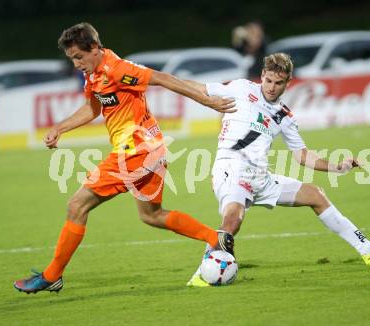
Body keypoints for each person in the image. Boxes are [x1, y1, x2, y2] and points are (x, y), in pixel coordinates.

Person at [13, 22, 236, 294]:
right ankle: (217, 238)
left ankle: (52, 276)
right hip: (151, 150)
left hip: (135, 152)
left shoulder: (117, 69)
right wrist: (61, 128)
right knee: (152, 215)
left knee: (76, 206)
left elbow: (164, 79)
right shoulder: (94, 74)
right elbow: (93, 107)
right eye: (72, 59)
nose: (76, 64)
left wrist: (207, 101)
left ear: (94, 48)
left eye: (79, 57)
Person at [185, 53, 370, 287]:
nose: (271, 87)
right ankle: (202, 274)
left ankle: (369, 250)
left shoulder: (284, 116)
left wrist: (337, 167)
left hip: (261, 177)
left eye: (278, 83)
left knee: (315, 195)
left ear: (288, 83)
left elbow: (302, 156)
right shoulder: (241, 88)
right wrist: (163, 79)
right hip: (232, 169)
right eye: (268, 81)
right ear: (261, 76)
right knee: (233, 220)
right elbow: (201, 88)